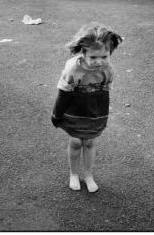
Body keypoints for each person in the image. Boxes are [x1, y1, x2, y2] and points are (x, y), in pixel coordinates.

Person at [51, 22, 122, 192]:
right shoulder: (73, 68)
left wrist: (102, 117)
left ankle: (88, 175)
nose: (99, 62)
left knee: (90, 142)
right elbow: (63, 92)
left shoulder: (108, 70)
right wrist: (56, 114)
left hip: (94, 111)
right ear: (83, 53)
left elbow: (105, 95)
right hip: (73, 110)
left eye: (104, 57)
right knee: (75, 142)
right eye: (93, 57)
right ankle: (74, 174)